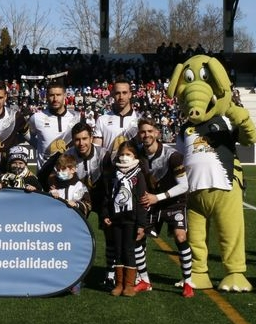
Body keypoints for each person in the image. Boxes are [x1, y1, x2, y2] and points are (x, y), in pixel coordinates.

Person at [136, 118, 194, 298]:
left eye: (150, 131)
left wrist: (157, 197)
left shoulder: (173, 156)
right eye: (143, 132)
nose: (146, 135)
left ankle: (188, 282)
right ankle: (144, 280)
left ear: (157, 133)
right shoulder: (137, 154)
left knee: (180, 236)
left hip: (173, 202)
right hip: (151, 203)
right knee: (138, 235)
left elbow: (184, 186)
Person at [100, 141, 147, 297]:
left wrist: (141, 224)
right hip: (116, 219)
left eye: (128, 154)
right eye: (122, 154)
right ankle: (119, 284)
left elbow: (141, 200)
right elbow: (107, 196)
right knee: (118, 251)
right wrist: (106, 214)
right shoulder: (113, 174)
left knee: (129, 251)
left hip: (131, 220)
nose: (125, 158)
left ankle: (129, 285)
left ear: (134, 156)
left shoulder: (138, 174)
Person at [46, 153, 92, 295]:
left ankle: (76, 281)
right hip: (57, 226)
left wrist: (77, 204)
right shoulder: (54, 185)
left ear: (73, 169)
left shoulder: (80, 186)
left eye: (65, 169)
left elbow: (88, 205)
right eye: (59, 169)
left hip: (74, 227)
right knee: (58, 254)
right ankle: (58, 280)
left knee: (74, 254)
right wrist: (50, 196)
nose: (61, 172)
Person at [26, 80, 80, 176]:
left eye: (58, 95)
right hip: (44, 173)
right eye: (51, 95)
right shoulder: (36, 118)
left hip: (69, 173)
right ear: (46, 96)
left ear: (64, 96)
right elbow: (30, 136)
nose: (55, 99)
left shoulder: (76, 118)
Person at [92, 77, 139, 154]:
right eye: (117, 93)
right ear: (113, 94)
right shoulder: (102, 119)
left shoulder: (139, 119)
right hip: (109, 165)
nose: (121, 97)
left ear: (130, 94)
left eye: (124, 93)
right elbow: (96, 151)